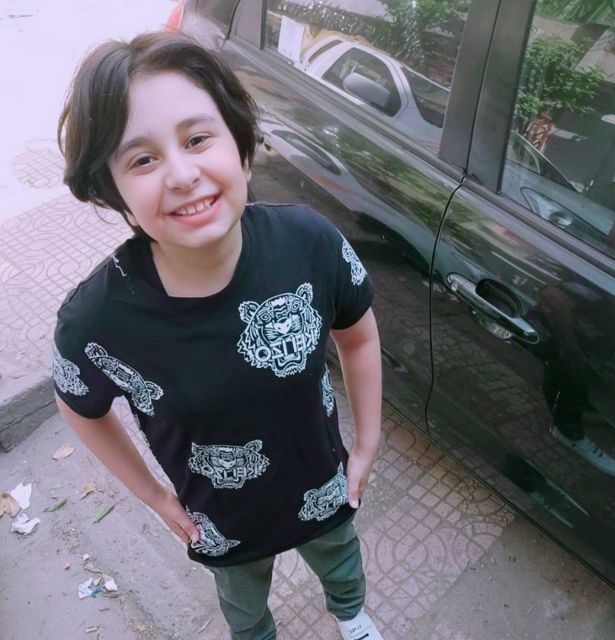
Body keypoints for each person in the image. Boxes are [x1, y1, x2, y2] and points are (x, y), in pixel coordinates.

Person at [53, 32, 384, 640]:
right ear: (114, 189)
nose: (182, 175)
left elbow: (358, 338)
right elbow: (79, 406)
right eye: (142, 159)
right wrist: (156, 498)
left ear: (240, 144)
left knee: (341, 558)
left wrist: (366, 443)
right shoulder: (97, 321)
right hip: (223, 523)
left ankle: (352, 617)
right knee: (244, 609)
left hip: (325, 486)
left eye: (197, 139)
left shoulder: (309, 243)